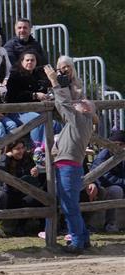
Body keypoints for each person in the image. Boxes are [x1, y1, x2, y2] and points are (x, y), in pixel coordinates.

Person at [44, 63, 97, 254]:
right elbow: (62, 104)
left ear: (86, 110)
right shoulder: (82, 120)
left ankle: (77, 242)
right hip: (70, 166)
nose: (78, 102)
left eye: (82, 103)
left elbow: (65, 104)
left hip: (68, 167)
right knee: (70, 205)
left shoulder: (79, 120)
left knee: (69, 206)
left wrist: (54, 82)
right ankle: (83, 238)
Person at [89, 129, 125, 233]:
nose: (117, 147)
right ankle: (110, 224)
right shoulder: (103, 156)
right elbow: (105, 177)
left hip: (119, 184)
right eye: (115, 144)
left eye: (121, 144)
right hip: (102, 187)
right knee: (116, 190)